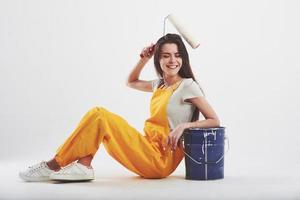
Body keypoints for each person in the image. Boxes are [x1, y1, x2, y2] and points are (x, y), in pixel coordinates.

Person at [19, 33, 220, 182]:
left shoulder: (188, 86)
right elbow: (131, 82)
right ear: (158, 59)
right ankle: (83, 165)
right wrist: (144, 58)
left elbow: (215, 120)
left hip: (161, 159)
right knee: (98, 118)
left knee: (100, 115)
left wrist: (183, 126)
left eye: (177, 55)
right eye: (166, 56)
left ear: (183, 58)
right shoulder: (160, 84)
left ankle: (54, 165)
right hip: (146, 146)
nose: (172, 60)